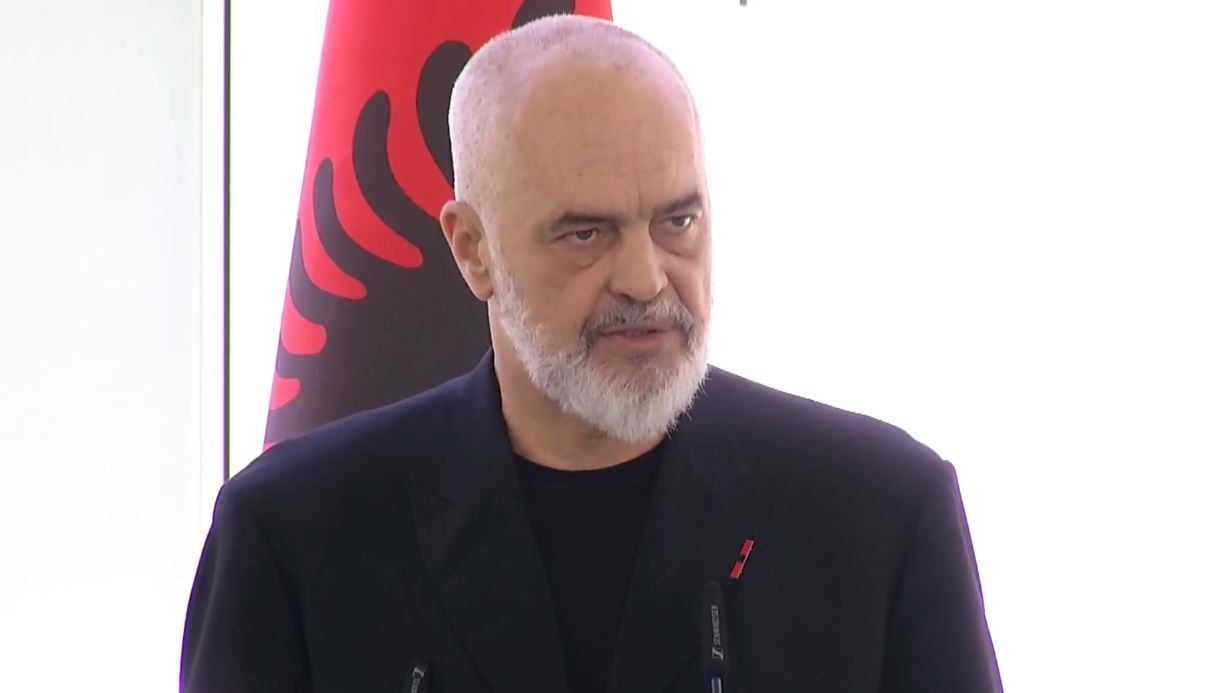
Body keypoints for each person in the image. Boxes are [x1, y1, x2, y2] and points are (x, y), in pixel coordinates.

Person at [181, 15, 1002, 693]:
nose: (645, 279)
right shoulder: (296, 535)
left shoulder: (881, 514)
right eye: (585, 233)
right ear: (472, 249)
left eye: (677, 222)